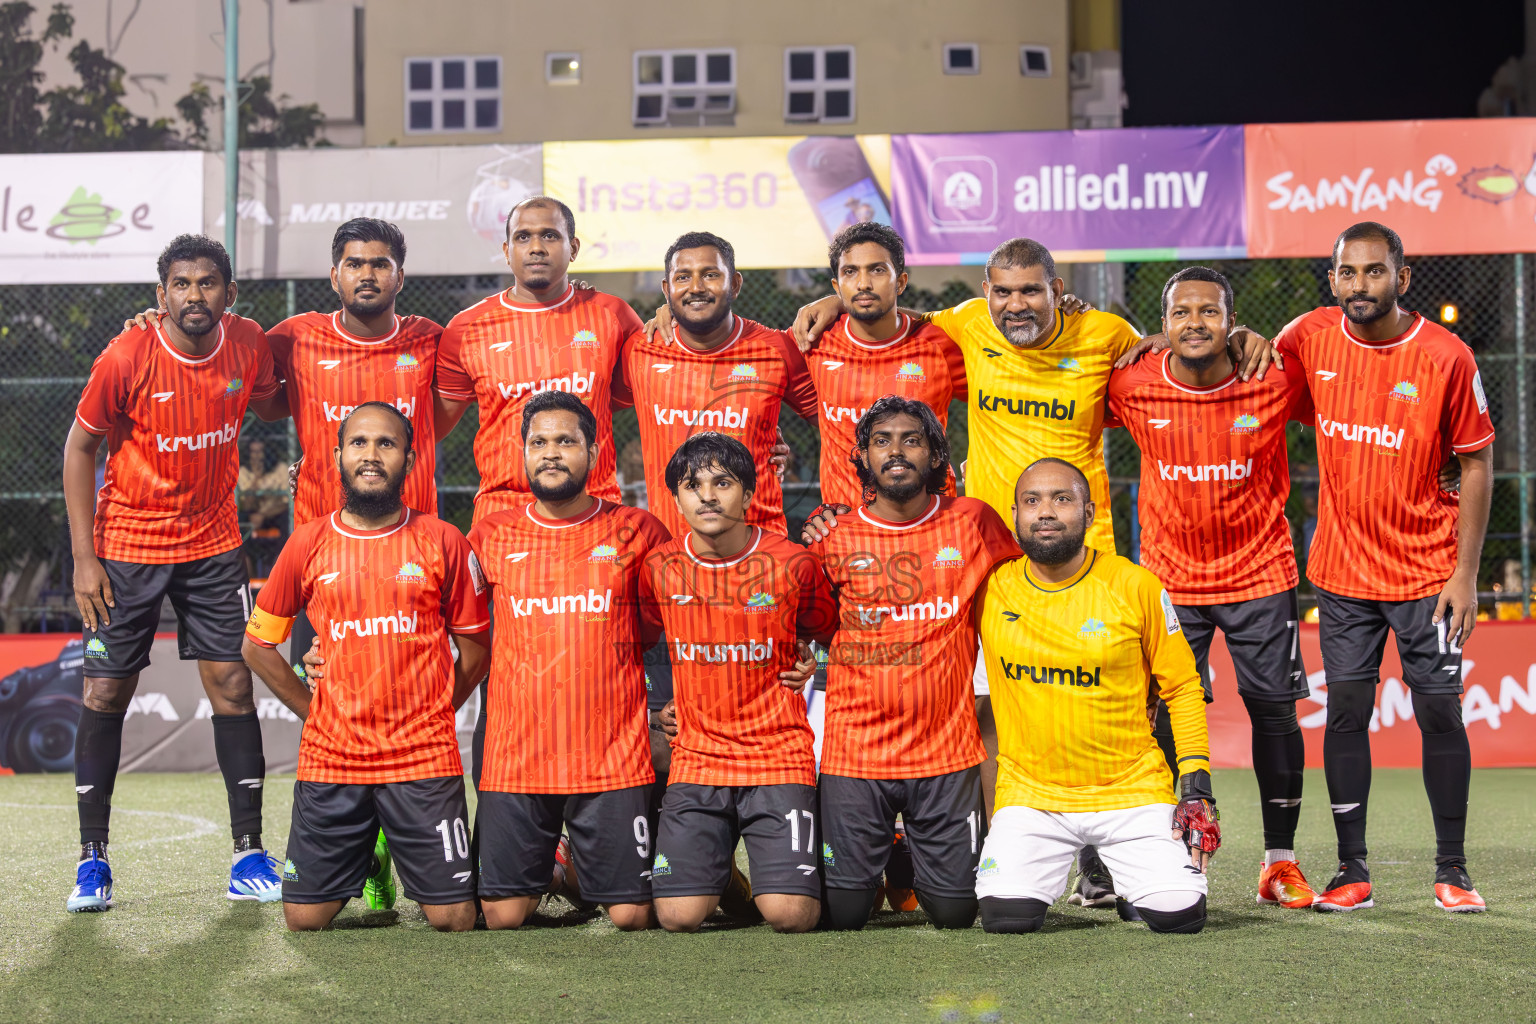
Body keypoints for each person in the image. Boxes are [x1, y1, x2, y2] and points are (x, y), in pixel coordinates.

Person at [1271, 222, 1494, 913]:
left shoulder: (1445, 355)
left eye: (1374, 272)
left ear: (1402, 278)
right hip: (1341, 572)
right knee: (1346, 714)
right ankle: (1351, 872)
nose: (1359, 285)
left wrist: (1465, 574)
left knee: (1437, 712)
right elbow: (1253, 366)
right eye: (1347, 273)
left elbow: (1478, 463)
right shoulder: (1309, 337)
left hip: (1430, 574)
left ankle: (1452, 871)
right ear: (1332, 278)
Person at [62, 234, 286, 912]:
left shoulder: (248, 344)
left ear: (229, 293)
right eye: (181, 284)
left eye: (208, 282)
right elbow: (79, 449)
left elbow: (274, 403)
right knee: (106, 694)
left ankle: (248, 853)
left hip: (214, 546)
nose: (195, 294)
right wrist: (82, 557)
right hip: (126, 548)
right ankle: (92, 863)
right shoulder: (127, 354)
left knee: (231, 682)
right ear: (161, 297)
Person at [1106, 267, 1317, 908]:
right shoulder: (1132, 383)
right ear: (1163, 324)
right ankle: (1176, 855)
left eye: (1210, 312)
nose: (1195, 323)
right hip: (1169, 579)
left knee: (1274, 713)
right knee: (1166, 715)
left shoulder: (1272, 378)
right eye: (1181, 313)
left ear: (1231, 320)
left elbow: (1342, 411)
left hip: (1260, 573)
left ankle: (1278, 863)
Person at [242, 402, 490, 932]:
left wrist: (439, 713)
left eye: (386, 444)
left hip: (422, 759)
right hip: (333, 759)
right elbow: (257, 646)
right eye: (358, 443)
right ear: (337, 457)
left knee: (455, 919)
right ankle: (370, 857)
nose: (371, 456)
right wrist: (317, 713)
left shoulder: (444, 540)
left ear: (410, 458)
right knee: (304, 920)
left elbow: (475, 650)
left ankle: (389, 845)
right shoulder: (307, 542)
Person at [973, 458, 1218, 934]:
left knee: (1179, 916)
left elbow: (1184, 686)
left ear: (1088, 513)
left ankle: (1132, 880)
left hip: (1130, 791)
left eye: (1061, 499)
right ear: (1015, 515)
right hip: (1032, 796)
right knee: (1006, 918)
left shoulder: (1135, 585)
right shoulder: (989, 590)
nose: (1046, 511)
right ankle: (1094, 878)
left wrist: (1196, 785)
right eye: (1032, 501)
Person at [811, 397, 1020, 931]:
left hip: (945, 752)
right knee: (844, 914)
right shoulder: (831, 537)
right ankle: (884, 854)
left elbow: (1027, 593)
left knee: (955, 913)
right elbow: (800, 626)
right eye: (882, 440)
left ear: (935, 456)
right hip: (854, 754)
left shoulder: (973, 522)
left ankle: (904, 858)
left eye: (912, 440)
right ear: (860, 456)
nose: (897, 451)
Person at [466, 390, 671, 931]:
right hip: (516, 755)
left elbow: (669, 628)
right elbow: (445, 621)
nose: (550, 453)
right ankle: (554, 870)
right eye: (538, 442)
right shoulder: (490, 534)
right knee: (502, 917)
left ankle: (580, 869)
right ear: (522, 451)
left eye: (565, 441)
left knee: (631, 916)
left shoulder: (640, 531)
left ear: (594, 450)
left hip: (610, 754)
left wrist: (664, 706)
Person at [641, 433, 835, 933]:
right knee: (679, 918)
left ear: (748, 493)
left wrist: (812, 660)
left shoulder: (793, 563)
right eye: (693, 485)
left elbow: (823, 631)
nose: (708, 495)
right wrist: (657, 705)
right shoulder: (659, 568)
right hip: (698, 758)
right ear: (676, 498)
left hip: (776, 755)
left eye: (722, 482)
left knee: (791, 917)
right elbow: (638, 643)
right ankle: (717, 874)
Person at [435, 196, 642, 523]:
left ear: (573, 248)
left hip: (594, 510)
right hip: (503, 514)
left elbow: (617, 398)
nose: (536, 247)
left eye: (549, 235)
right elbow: (431, 428)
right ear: (506, 251)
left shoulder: (613, 317)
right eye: (522, 236)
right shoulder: (466, 328)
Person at [624, 231, 819, 540]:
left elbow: (837, 426)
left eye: (711, 274)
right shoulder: (639, 349)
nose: (696, 287)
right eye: (683, 277)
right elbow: (593, 404)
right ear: (667, 288)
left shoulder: (777, 349)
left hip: (762, 550)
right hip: (673, 555)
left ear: (735, 284)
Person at [805, 223, 967, 510]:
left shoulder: (941, 346)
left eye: (877, 270)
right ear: (837, 286)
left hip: (936, 527)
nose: (863, 283)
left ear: (901, 282)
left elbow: (998, 400)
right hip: (847, 529)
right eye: (850, 272)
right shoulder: (813, 342)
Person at [237, 439, 289, 533]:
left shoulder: (281, 469)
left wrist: (263, 515)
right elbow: (246, 505)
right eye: (253, 452)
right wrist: (257, 477)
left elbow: (286, 502)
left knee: (286, 517)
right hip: (252, 513)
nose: (257, 456)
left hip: (274, 513)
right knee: (241, 517)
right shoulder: (243, 472)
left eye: (260, 451)